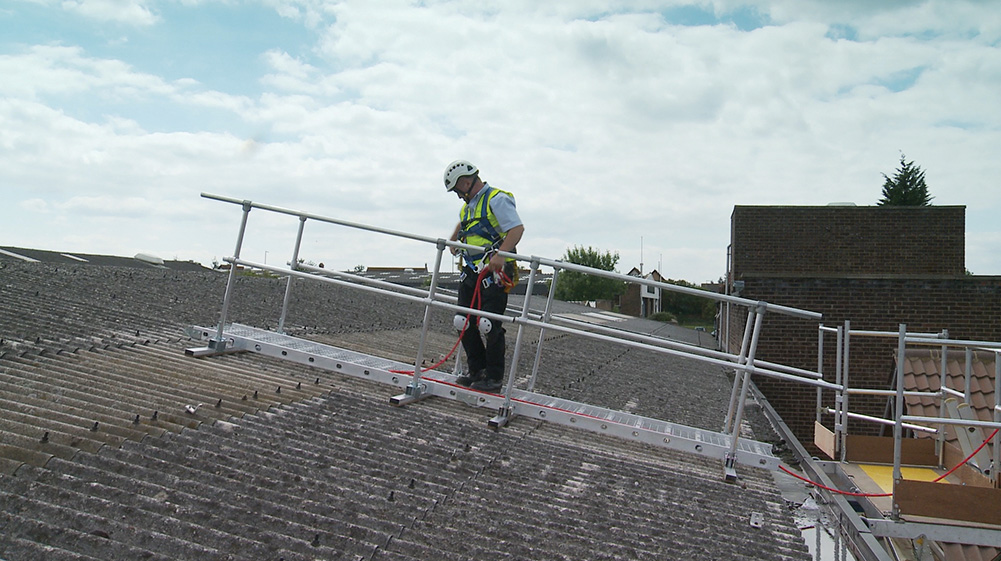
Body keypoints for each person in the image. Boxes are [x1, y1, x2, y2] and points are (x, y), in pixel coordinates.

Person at [443, 160, 524, 392]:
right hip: (471, 270)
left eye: (458, 190)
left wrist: (500, 255)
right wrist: (454, 237)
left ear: (466, 182)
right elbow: (465, 221)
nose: (458, 196)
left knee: (488, 324)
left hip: (496, 272)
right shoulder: (468, 206)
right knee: (463, 321)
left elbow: (517, 229)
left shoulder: (497, 199)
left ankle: (494, 376)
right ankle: (477, 370)